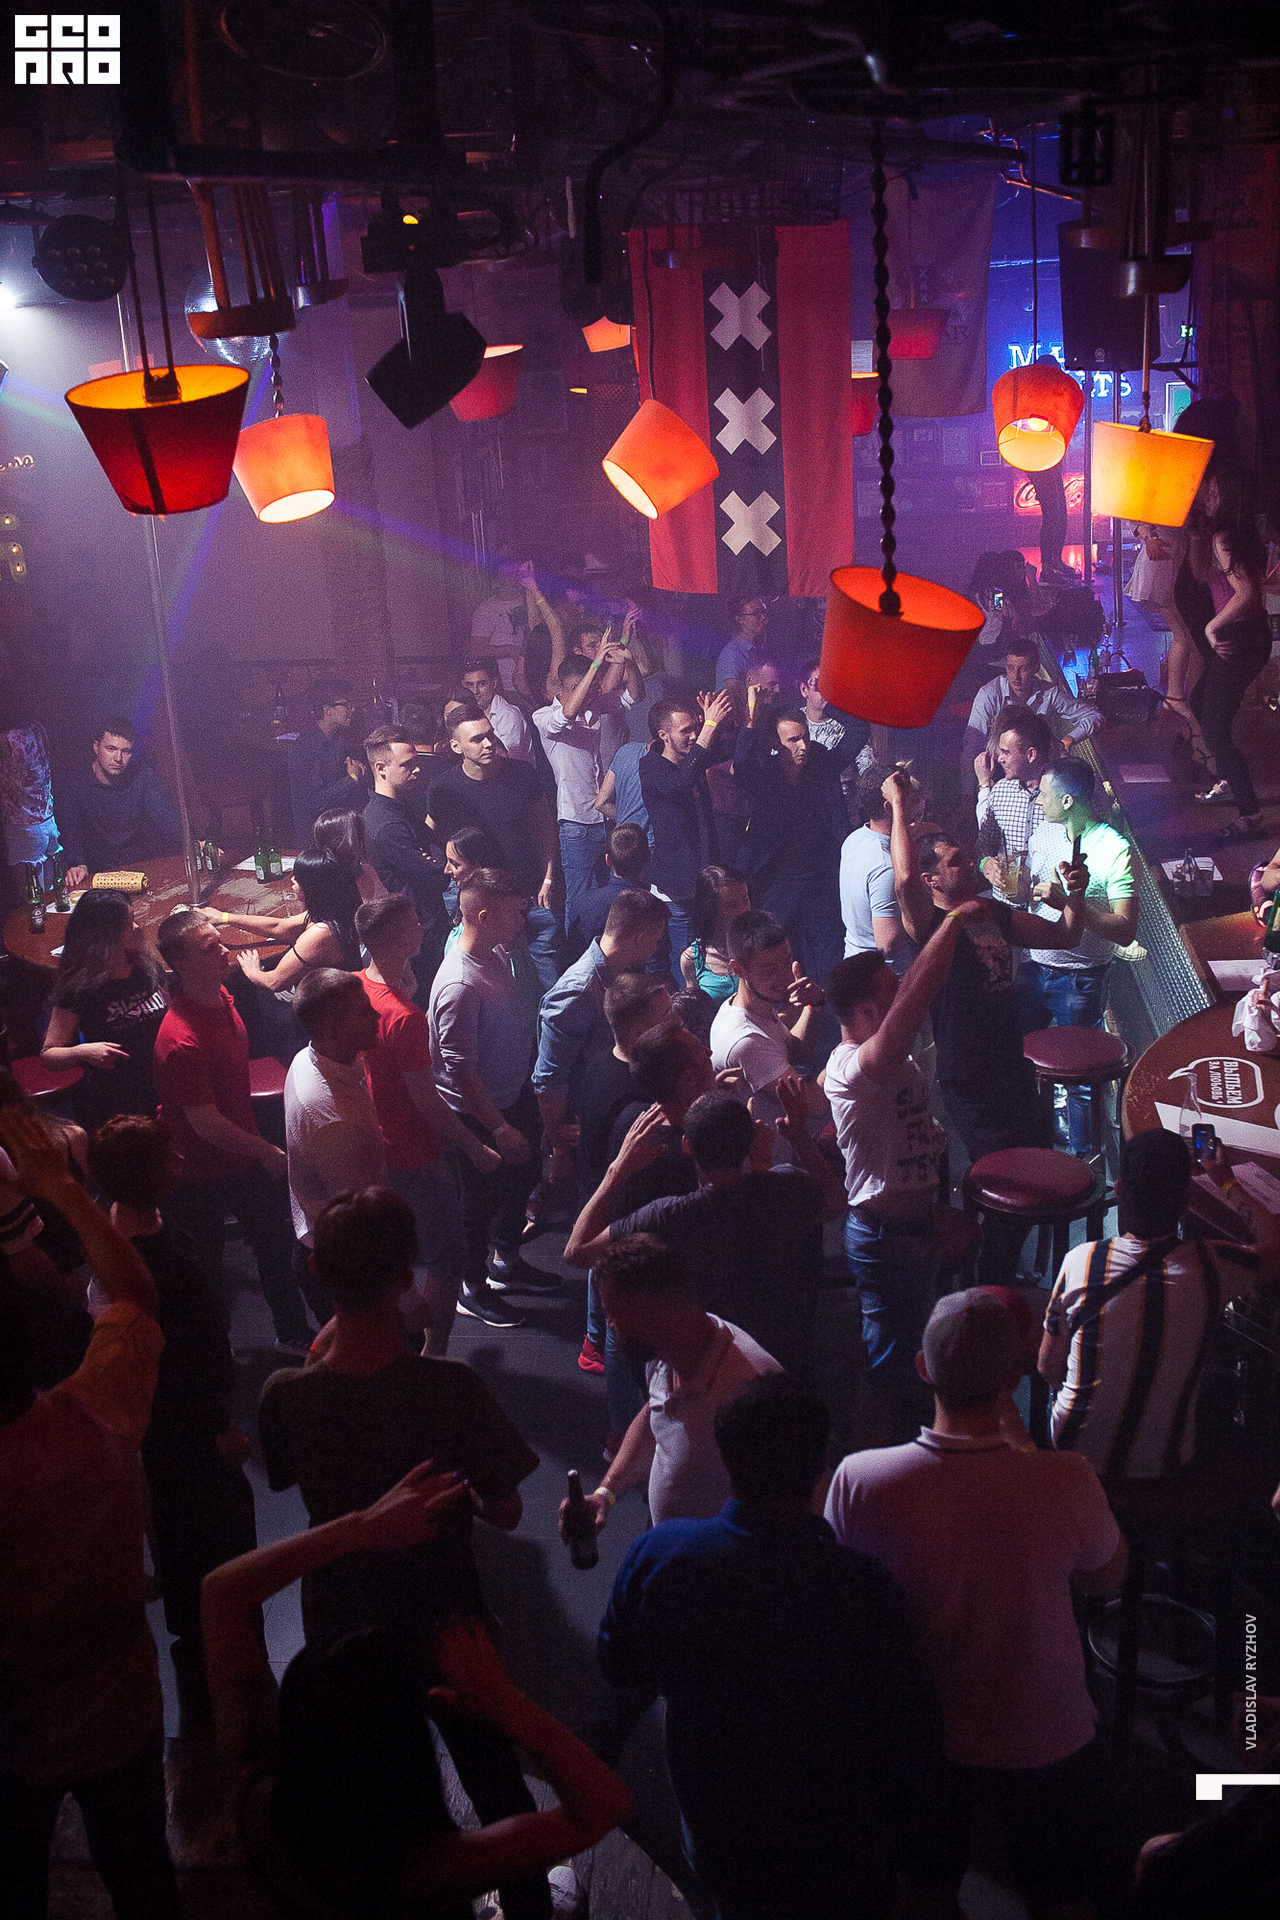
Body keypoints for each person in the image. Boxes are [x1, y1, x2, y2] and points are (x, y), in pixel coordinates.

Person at [257, 1186, 567, 1920]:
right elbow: (506, 1510)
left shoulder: (283, 1396)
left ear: (316, 1270)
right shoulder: (452, 1387)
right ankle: (528, 1901)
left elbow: (293, 1475)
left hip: (341, 1619)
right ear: (404, 1280)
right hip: (444, 1611)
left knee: (371, 1778)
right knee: (492, 1774)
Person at [825, 1288, 1129, 1920]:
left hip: (918, 1732)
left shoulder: (859, 1478)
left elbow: (841, 1604)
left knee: (925, 1893)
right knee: (1062, 1898)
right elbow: (1108, 1578)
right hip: (1044, 1730)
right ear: (1014, 1380)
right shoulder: (1067, 1479)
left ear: (921, 1368)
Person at [203, 1480, 630, 1919]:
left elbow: (220, 1593)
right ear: (408, 1752)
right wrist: (502, 1699)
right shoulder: (426, 1869)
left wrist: (361, 1527)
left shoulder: (255, 1798)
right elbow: (603, 1805)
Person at [598, 1377, 941, 1920]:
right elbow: (907, 1725)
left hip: (717, 1820)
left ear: (725, 1456)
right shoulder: (864, 1586)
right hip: (839, 1837)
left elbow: (618, 1665)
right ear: (822, 1464)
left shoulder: (661, 1555)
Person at [0, 1103, 182, 1920]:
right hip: (121, 1713)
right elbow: (134, 1296)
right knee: (143, 1874)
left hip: (14, 1740)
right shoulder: (97, 1412)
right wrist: (65, 1192)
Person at [85, 1112, 257, 1735]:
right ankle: (233, 1687)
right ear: (149, 1175)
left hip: (149, 1425)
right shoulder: (164, 1263)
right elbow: (188, 1359)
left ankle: (195, 1650)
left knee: (176, 1535)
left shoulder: (113, 1234)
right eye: (169, 1158)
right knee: (215, 1539)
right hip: (183, 1430)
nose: (181, 1162)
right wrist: (219, 1425)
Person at [884, 773, 1089, 1281]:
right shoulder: (929, 925)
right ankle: (989, 1282)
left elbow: (1066, 935)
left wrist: (1076, 895)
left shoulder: (991, 912)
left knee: (1036, 1169)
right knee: (1005, 1180)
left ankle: (999, 1273)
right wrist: (899, 806)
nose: (970, 862)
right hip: (970, 1078)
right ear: (933, 880)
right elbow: (904, 881)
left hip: (1011, 1066)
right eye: (955, 862)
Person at [823, 914, 986, 1444]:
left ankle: (909, 1453)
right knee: (883, 1370)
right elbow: (914, 1001)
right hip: (883, 1239)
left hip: (911, 1232)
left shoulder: (882, 1063)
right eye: (890, 998)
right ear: (868, 1012)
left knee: (907, 1357)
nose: (904, 1006)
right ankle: (863, 1472)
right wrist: (953, 922)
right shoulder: (852, 1066)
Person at [1041, 1128, 1279, 1480]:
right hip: (1165, 1465)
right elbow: (1276, 1247)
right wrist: (1226, 1182)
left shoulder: (1081, 1262)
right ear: (1186, 1201)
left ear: (1119, 1189)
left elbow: (1047, 1366)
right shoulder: (1214, 1265)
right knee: (1224, 1380)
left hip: (1073, 1451)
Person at [565, 1086, 841, 1375]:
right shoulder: (786, 1186)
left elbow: (576, 1252)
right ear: (751, 1141)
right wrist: (797, 1136)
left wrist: (618, 1169)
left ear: (687, 1145)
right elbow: (835, 1202)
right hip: (780, 1358)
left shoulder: (667, 1217)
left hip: (705, 1363)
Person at [153, 909, 323, 1347]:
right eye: (211, 949)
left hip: (239, 1152)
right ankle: (215, 1354)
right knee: (207, 1267)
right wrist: (265, 1150)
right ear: (181, 965)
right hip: (198, 1172)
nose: (225, 952)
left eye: (220, 942)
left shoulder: (222, 997)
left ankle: (292, 1333)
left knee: (275, 1241)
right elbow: (206, 1125)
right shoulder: (180, 1039)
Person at [357, 893, 511, 1346]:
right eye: (414, 924)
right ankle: (435, 1353)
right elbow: (426, 1101)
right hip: (415, 1150)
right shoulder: (404, 1018)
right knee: (447, 1257)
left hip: (378, 1140)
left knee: (394, 1252)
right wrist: (475, 1145)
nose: (423, 928)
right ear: (397, 938)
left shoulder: (359, 987)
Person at [557, 1233, 781, 1543]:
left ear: (653, 1314)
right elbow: (655, 1413)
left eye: (614, 1314)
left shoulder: (750, 1393)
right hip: (673, 1542)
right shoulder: (664, 1351)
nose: (609, 1325)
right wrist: (606, 1494)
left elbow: (785, 1504)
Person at [427, 871, 551, 1327]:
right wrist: (498, 1127)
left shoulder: (495, 953)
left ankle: (506, 1262)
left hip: (511, 1096)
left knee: (520, 1180)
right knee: (476, 1204)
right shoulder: (460, 984)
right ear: (483, 916)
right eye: (514, 912)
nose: (523, 918)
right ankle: (472, 1288)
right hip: (480, 1114)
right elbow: (460, 1072)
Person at [1020, 760, 1138, 1156]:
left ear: (1068, 801)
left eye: (1044, 794)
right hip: (1033, 966)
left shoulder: (1112, 848)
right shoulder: (1043, 834)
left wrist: (1071, 904)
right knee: (1020, 1060)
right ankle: (1033, 1144)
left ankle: (1082, 1159)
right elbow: (1030, 888)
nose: (1038, 801)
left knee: (1080, 1080)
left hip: (1081, 978)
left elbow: (1125, 929)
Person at [533, 887, 670, 1191]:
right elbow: (548, 1080)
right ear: (641, 938)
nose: (657, 947)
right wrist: (559, 1151)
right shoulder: (577, 994)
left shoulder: (619, 973)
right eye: (657, 939)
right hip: (582, 1129)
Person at [425, 709, 560, 991]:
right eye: (477, 739)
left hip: (528, 895)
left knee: (546, 982)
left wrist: (548, 879)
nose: (488, 744)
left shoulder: (522, 774)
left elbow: (545, 827)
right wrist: (445, 870)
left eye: (490, 735)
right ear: (456, 746)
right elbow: (431, 833)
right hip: (479, 906)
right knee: (492, 987)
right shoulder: (444, 788)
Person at [732, 699, 846, 986]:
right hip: (777, 884)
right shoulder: (764, 775)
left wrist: (825, 704)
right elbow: (741, 764)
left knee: (827, 957)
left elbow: (857, 734)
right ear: (776, 743)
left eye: (805, 737)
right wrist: (751, 717)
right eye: (793, 740)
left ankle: (824, 1008)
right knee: (777, 953)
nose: (803, 746)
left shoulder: (820, 768)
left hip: (819, 881)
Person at [1187, 460, 1271, 837]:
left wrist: (1212, 625)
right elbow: (1199, 575)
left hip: (1240, 639)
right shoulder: (1226, 535)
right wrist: (1194, 537)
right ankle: (1228, 778)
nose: (1207, 495)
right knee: (1200, 701)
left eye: (1215, 492)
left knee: (1216, 729)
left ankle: (1250, 815)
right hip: (1247, 636)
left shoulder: (1225, 537)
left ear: (1229, 497)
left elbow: (1248, 593)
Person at [40, 889, 168, 1131]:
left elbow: (171, 1017)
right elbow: (49, 1055)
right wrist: (84, 1051)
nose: (137, 927)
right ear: (106, 934)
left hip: (163, 1084)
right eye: (128, 923)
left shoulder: (145, 966)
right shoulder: (80, 987)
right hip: (118, 1100)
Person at [708, 909, 826, 1151]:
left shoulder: (743, 1007)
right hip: (773, 1165)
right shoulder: (747, 1040)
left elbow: (793, 1049)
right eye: (770, 969)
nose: (785, 976)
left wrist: (813, 1006)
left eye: (786, 962)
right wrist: (851, 1051)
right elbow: (815, 1104)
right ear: (738, 969)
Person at [639, 689, 735, 963]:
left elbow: (733, 749)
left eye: (696, 728)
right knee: (687, 963)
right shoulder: (651, 766)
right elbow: (679, 784)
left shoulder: (691, 760)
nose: (694, 736)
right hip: (678, 887)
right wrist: (708, 728)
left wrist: (723, 722)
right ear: (663, 735)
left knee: (712, 959)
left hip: (704, 881)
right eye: (685, 731)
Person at [532, 654, 612, 948]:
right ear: (561, 689)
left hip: (604, 819)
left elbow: (634, 696)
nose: (586, 692)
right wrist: (595, 664)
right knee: (579, 899)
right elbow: (565, 715)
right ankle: (576, 959)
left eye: (589, 686)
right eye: (577, 687)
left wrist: (624, 650)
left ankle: (602, 957)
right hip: (576, 824)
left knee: (607, 897)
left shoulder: (592, 714)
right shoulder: (543, 717)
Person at [363, 726, 449, 982]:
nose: (417, 769)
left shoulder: (398, 807)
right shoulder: (387, 825)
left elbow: (431, 845)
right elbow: (437, 876)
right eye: (406, 765)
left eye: (416, 761)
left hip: (421, 928)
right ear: (381, 769)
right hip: (418, 935)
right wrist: (437, 860)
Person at [57, 716, 181, 881]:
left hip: (139, 867)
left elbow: (166, 815)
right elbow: (70, 831)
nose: (118, 758)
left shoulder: (142, 774)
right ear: (96, 747)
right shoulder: (75, 784)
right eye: (111, 749)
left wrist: (193, 842)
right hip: (95, 871)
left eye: (125, 751)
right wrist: (78, 863)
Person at [235, 846, 363, 998]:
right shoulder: (335, 910)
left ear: (312, 887)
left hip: (327, 1006)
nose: (292, 879)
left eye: (297, 877)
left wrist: (252, 970)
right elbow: (279, 927)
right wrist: (223, 917)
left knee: (243, 992)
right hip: (332, 995)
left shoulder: (322, 933)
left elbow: (274, 982)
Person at [962, 634, 1102, 771]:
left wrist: (1069, 739)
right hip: (998, 767)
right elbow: (971, 746)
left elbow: (1094, 716)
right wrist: (973, 786)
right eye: (1011, 668)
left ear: (1036, 668)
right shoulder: (989, 694)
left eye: (1023, 669)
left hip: (1035, 767)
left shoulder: (1049, 693)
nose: (1015, 676)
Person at [839, 762, 923, 971]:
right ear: (889, 806)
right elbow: (887, 943)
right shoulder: (886, 865)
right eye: (909, 798)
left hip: (855, 964)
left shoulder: (855, 838)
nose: (915, 803)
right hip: (887, 978)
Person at [974, 705, 1056, 890]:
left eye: (1006, 752)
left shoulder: (1061, 794)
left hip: (1048, 903)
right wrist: (985, 863)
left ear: (1031, 754)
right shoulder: (1001, 790)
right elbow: (983, 844)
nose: (1000, 759)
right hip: (1006, 900)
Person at [0, 706, 68, 896]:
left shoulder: (5, 740)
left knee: (32, 899)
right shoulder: (37, 729)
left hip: (22, 826)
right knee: (53, 894)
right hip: (46, 820)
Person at [287, 679, 362, 845]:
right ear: (328, 710)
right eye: (347, 705)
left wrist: (352, 768)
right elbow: (313, 801)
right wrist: (351, 779)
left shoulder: (335, 739)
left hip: (333, 827)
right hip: (315, 837)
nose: (352, 709)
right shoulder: (307, 747)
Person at [680, 863, 751, 1004]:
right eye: (732, 905)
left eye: (745, 900)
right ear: (710, 909)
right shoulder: (693, 959)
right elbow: (694, 1010)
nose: (743, 910)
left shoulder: (762, 945)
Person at [578, 820, 652, 949]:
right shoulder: (652, 910)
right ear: (648, 858)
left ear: (608, 860)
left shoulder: (583, 902)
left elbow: (573, 952)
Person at [470, 559, 530, 695]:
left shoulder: (531, 602)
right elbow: (476, 650)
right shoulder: (487, 609)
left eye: (517, 574)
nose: (514, 579)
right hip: (510, 686)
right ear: (497, 580)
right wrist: (508, 650)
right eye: (508, 575)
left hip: (537, 683)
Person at [461, 655, 534, 762]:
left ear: (494, 683)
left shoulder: (509, 716)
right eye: (469, 685)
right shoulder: (465, 712)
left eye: (481, 684)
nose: (475, 691)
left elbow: (506, 760)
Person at [799, 655, 868, 765]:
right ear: (804, 689)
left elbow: (868, 769)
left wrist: (829, 706)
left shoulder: (846, 727)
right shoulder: (791, 722)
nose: (828, 690)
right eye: (821, 684)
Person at [313, 803, 388, 902]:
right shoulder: (326, 887)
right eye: (361, 832)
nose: (368, 837)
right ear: (345, 842)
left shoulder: (369, 870)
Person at [714, 594, 769, 691]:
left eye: (763, 612)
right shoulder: (732, 653)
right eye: (756, 613)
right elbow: (733, 692)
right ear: (740, 619)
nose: (763, 617)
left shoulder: (754, 649)